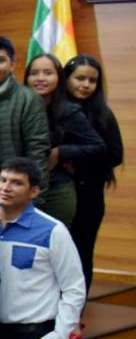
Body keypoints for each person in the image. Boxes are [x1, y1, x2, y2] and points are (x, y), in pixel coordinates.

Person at [0, 157, 87, 339]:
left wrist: (59, 337)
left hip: (32, 338)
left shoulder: (52, 230)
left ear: (34, 191)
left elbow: (74, 288)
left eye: (16, 183)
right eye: (2, 180)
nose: (5, 187)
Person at [63, 55, 124, 294]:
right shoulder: (54, 109)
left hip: (89, 194)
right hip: (58, 192)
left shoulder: (103, 114)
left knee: (82, 252)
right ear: (66, 78)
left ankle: (78, 306)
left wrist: (78, 163)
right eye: (80, 78)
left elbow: (115, 154)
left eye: (92, 80)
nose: (86, 85)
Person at [23, 53, 105, 227]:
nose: (40, 78)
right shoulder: (20, 105)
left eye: (48, 73)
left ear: (59, 77)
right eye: (34, 73)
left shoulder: (68, 110)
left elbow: (98, 147)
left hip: (56, 189)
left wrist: (61, 152)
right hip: (19, 187)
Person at [0, 36, 51, 210]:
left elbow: (38, 150)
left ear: (12, 65)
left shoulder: (29, 99)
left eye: (0, 60)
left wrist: (35, 200)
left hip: (9, 186)